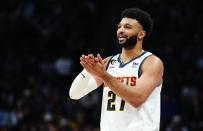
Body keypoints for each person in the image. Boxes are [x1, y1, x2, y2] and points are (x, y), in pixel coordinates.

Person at [69, 7, 164, 131]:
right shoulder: (109, 62)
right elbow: (74, 94)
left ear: (141, 34)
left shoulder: (151, 62)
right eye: (120, 26)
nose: (121, 30)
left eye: (127, 27)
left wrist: (104, 75)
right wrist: (88, 69)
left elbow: (137, 99)